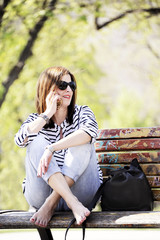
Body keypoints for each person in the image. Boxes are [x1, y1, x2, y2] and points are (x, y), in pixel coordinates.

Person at [15, 66, 103, 228]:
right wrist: (47, 113)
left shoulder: (83, 112)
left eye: (72, 85)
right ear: (47, 89)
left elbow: (89, 132)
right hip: (41, 193)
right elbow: (20, 140)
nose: (69, 89)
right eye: (63, 85)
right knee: (35, 141)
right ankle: (69, 202)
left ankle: (52, 203)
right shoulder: (36, 119)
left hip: (81, 194)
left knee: (83, 139)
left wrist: (52, 148)